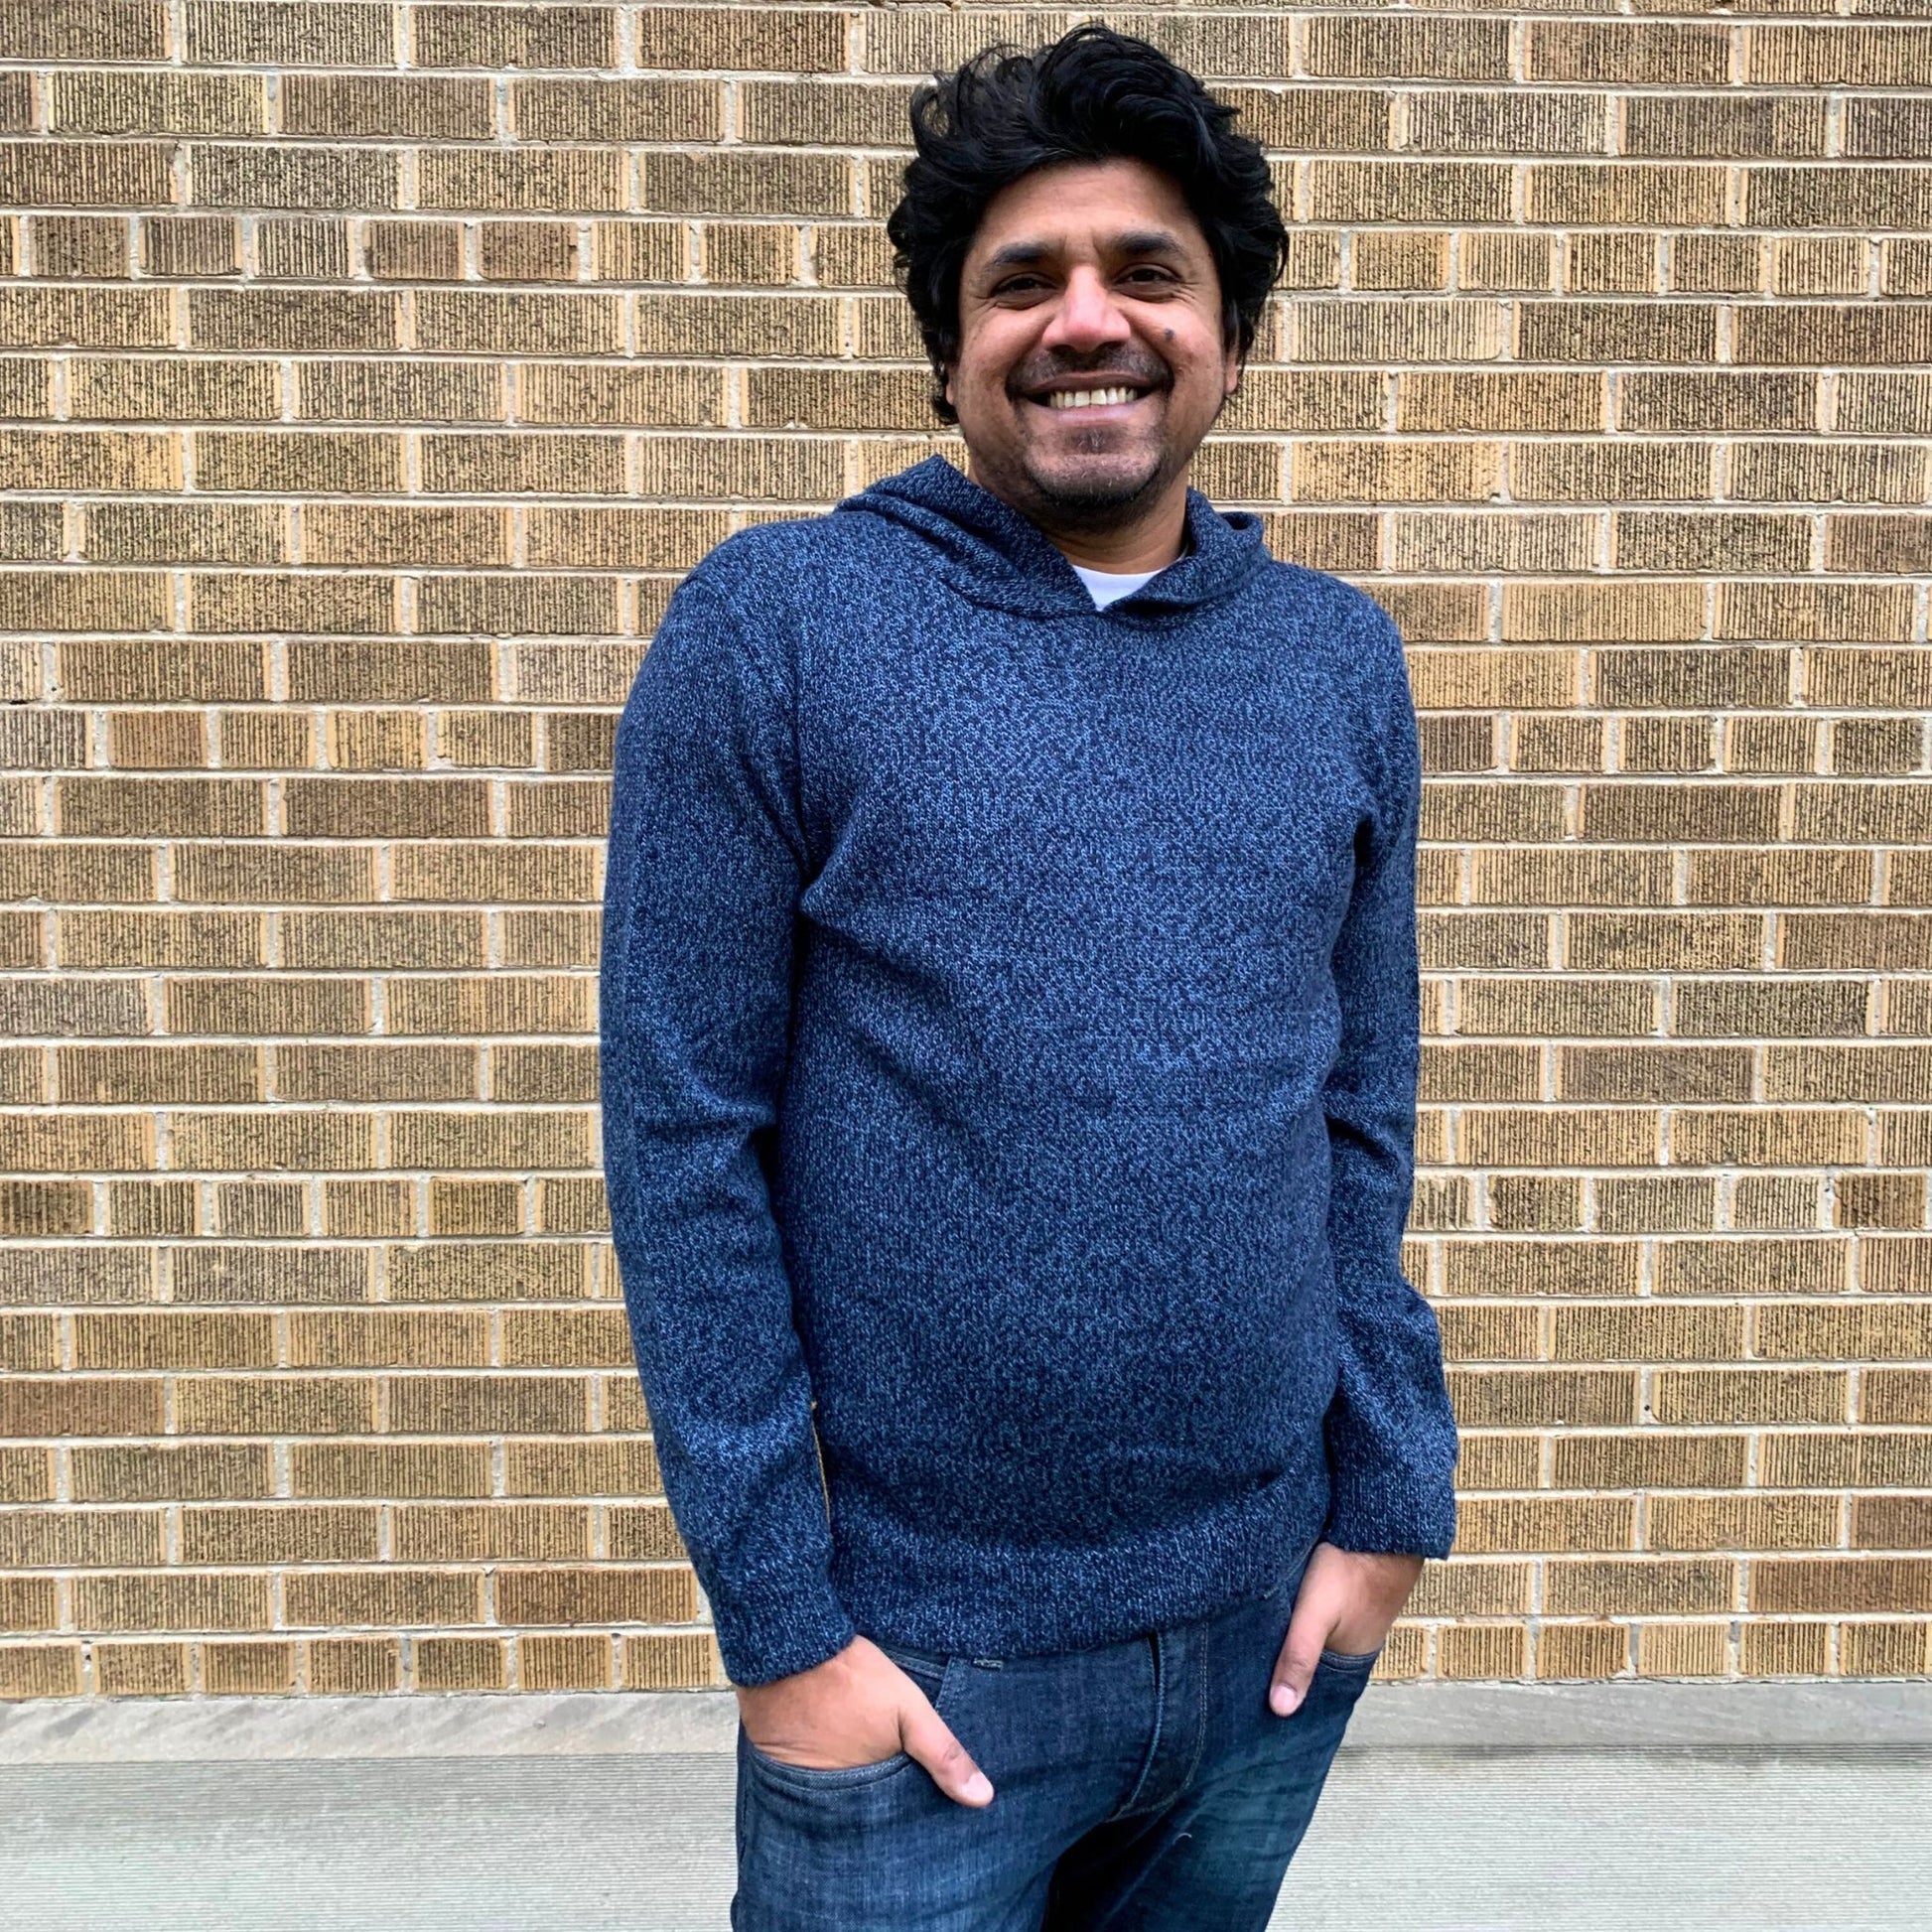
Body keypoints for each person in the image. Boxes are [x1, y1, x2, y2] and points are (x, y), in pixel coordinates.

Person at [600, 23, 1459, 1929]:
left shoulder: (1332, 661)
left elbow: (1359, 1106)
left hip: (1262, 1641)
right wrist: (781, 1630)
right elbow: (682, 1148)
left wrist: (1391, 1500)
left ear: (1228, 334)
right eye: (1024, 282)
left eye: (1147, 272)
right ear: (951, 342)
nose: (1089, 320)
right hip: (916, 1666)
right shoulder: (781, 625)